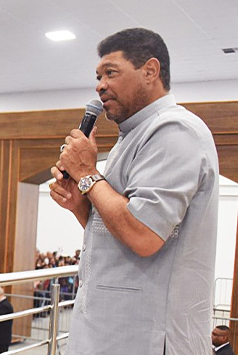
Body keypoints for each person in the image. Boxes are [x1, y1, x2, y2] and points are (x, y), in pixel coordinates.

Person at [49, 27, 219, 354]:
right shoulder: (132, 137)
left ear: (150, 71)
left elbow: (143, 234)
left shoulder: (174, 131)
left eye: (111, 73)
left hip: (149, 339)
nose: (100, 85)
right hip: (113, 335)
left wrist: (87, 175)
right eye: (98, 76)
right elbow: (119, 230)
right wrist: (81, 206)